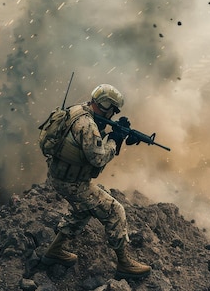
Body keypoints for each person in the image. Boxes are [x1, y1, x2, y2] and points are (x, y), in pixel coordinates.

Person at [40, 84, 151, 279]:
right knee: (115, 211)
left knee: (82, 212)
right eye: (113, 110)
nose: (113, 113)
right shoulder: (87, 125)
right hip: (72, 183)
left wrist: (112, 131)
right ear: (106, 106)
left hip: (60, 175)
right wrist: (115, 139)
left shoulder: (78, 110)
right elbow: (98, 158)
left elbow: (81, 137)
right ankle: (125, 264)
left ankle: (54, 252)